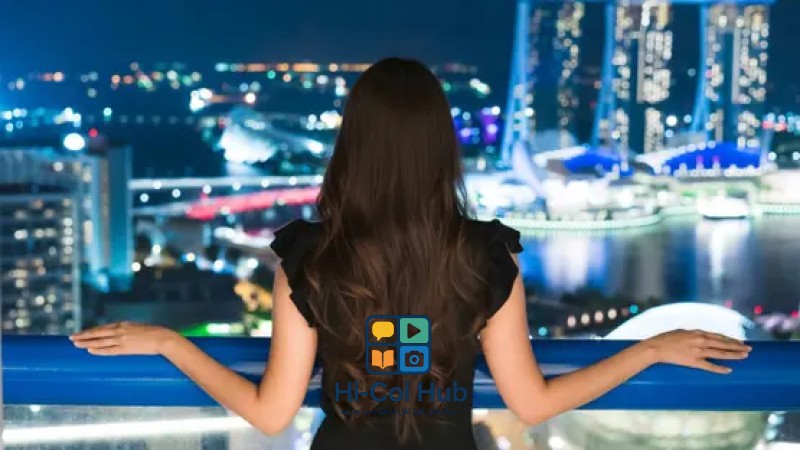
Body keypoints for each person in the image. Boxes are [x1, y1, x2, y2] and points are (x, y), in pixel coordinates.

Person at [71, 58, 752, 450]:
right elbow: (532, 403)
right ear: (440, 148)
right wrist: (648, 349)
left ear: (353, 146)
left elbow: (272, 415)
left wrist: (170, 343)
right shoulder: (485, 257)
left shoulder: (310, 258)